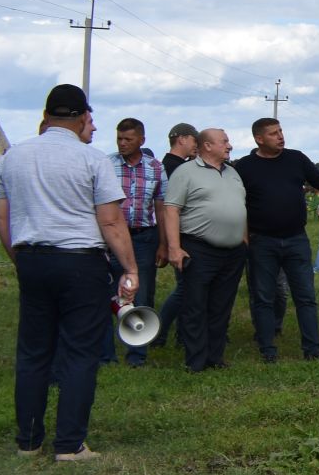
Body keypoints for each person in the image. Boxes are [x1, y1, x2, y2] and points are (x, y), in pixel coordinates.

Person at [0, 84, 140, 461]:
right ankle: (70, 444)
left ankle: (28, 441)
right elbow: (110, 221)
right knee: (79, 352)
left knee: (33, 351)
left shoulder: (12, 158)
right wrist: (129, 267)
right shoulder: (92, 160)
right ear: (80, 119)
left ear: (46, 117)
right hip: (80, 261)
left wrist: (19, 257)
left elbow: (2, 216)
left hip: (31, 257)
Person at [234, 119, 319, 362]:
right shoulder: (245, 167)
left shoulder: (295, 158)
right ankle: (268, 350)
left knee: (305, 296)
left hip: (296, 239)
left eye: (281, 131)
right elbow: (236, 203)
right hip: (262, 241)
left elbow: (318, 178)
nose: (281, 136)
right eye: (274, 134)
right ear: (259, 139)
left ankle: (313, 349)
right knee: (264, 297)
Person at [163, 129, 248, 372]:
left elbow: (239, 207)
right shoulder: (186, 172)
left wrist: (243, 240)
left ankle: (215, 357)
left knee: (221, 306)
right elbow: (171, 210)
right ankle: (196, 361)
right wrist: (174, 248)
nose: (229, 145)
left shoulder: (232, 173)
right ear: (207, 146)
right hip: (199, 248)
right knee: (195, 305)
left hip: (232, 252)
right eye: (224, 142)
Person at [106, 117, 166, 366]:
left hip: (143, 237)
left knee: (140, 293)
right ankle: (105, 355)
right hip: (111, 237)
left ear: (142, 140)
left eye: (128, 139)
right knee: (109, 295)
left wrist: (164, 243)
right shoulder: (107, 165)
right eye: (119, 138)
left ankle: (137, 354)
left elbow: (162, 207)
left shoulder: (155, 167)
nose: (122, 143)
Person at [149, 121, 198, 350]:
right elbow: (168, 207)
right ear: (182, 139)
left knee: (187, 289)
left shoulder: (175, 164)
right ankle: (159, 332)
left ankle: (181, 334)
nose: (196, 145)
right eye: (193, 140)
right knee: (184, 289)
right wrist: (169, 243)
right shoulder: (172, 167)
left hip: (180, 234)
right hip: (178, 235)